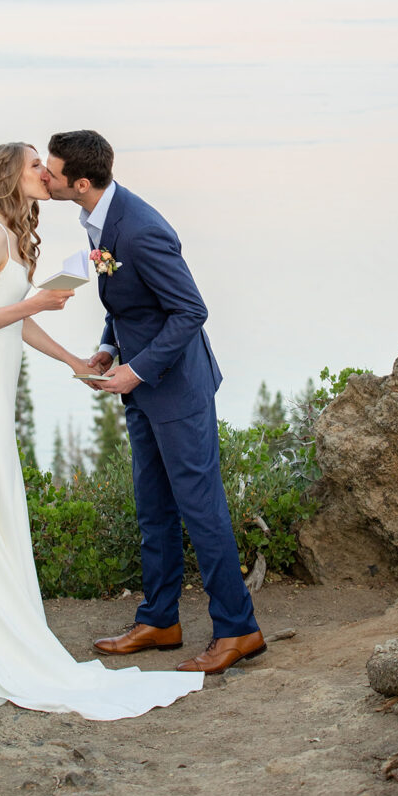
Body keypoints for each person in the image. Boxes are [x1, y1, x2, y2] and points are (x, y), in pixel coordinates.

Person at [0, 141, 204, 719]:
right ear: (10, 177)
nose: (45, 173)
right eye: (34, 166)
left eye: (46, 166)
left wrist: (74, 360)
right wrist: (35, 304)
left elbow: (15, 325)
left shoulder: (14, 233)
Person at [45, 130, 266, 674]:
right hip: (138, 385)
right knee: (153, 506)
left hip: (176, 389)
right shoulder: (99, 219)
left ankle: (240, 630)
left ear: (80, 182)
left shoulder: (141, 230)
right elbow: (129, 306)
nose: (44, 178)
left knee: (201, 509)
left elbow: (190, 311)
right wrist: (106, 348)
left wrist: (137, 370)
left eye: (50, 171)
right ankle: (159, 619)